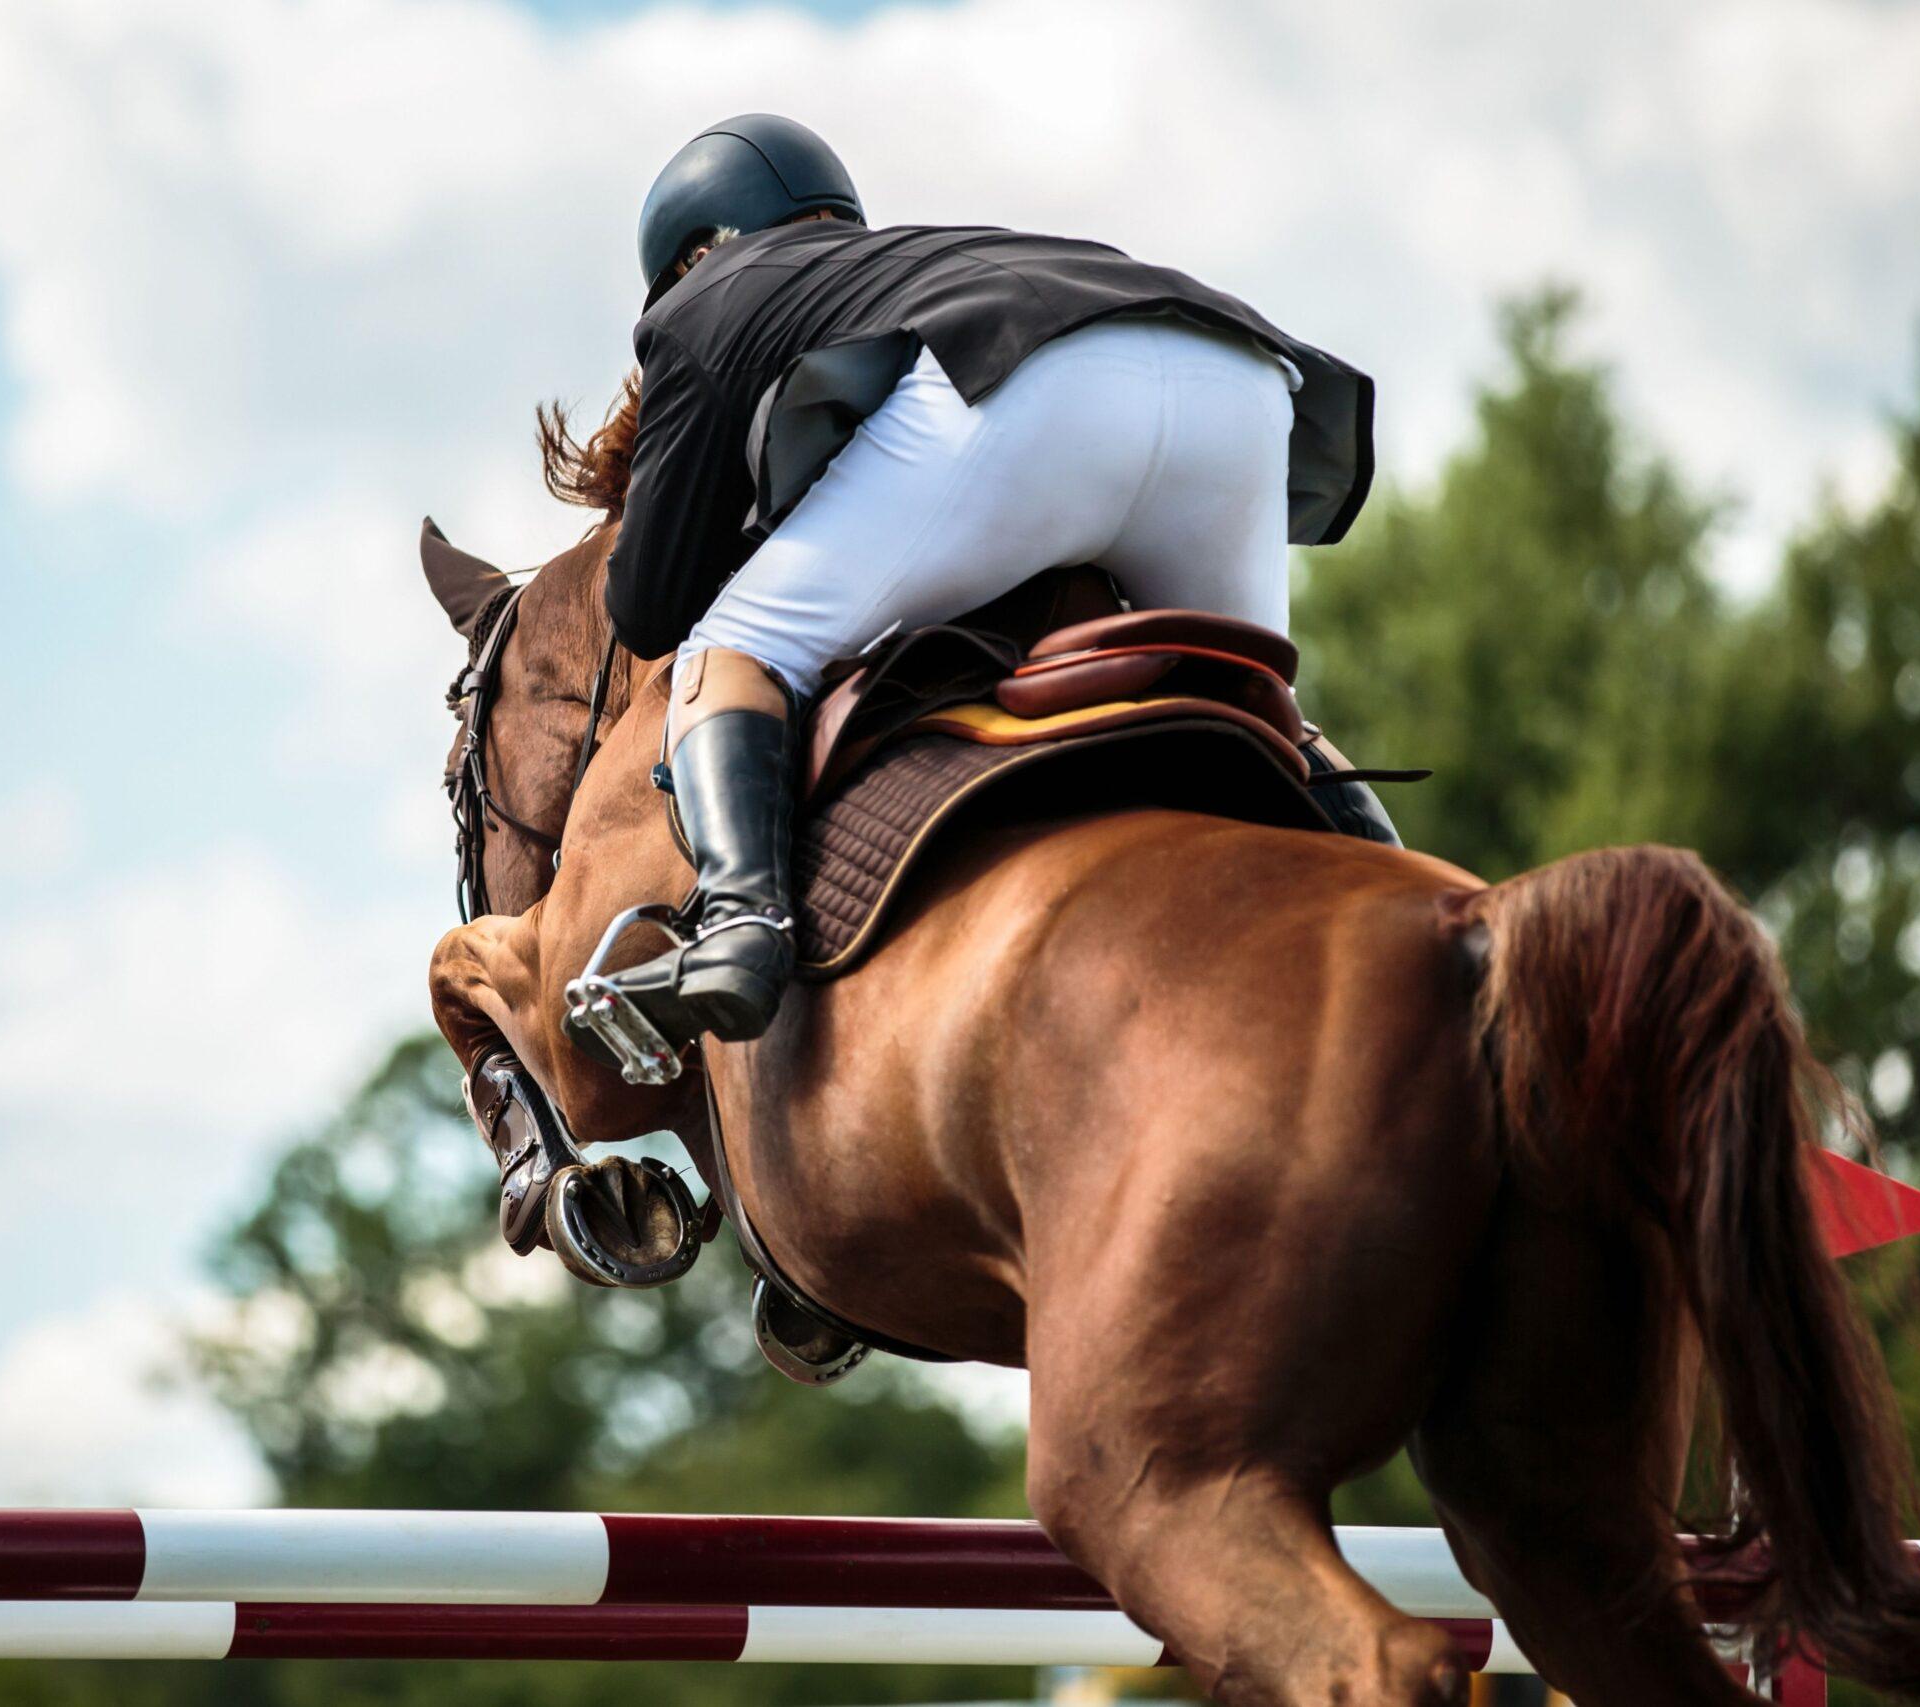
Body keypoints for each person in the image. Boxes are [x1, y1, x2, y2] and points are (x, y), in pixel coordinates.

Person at [592, 114, 1395, 1056]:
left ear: (688, 258)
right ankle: (1397, 881)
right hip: (1240, 383)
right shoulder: (905, 260)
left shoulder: (705, 298)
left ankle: (739, 927)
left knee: (731, 649)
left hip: (1040, 388)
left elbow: (647, 606)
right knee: (1260, 707)